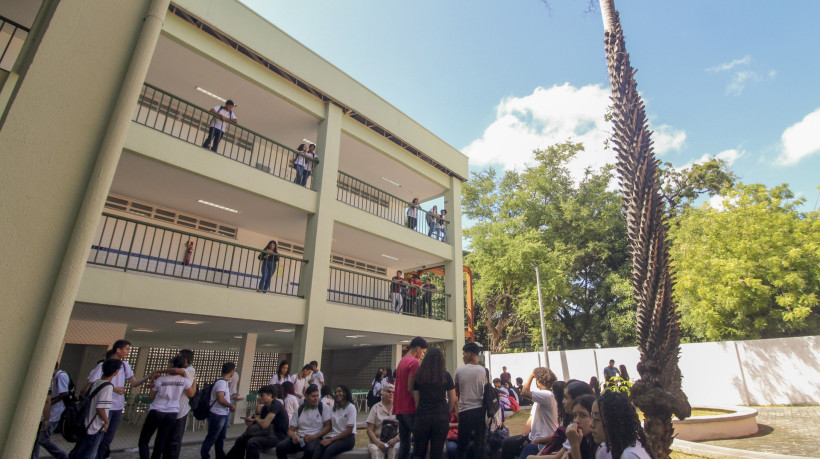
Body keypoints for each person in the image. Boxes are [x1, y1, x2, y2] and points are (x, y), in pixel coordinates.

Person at [86, 339, 152, 459]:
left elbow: (134, 382)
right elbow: (93, 383)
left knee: (108, 439)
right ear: (118, 350)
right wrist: (113, 388)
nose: (128, 352)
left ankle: (102, 456)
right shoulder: (103, 365)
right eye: (126, 349)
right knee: (98, 437)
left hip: (118, 406)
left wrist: (149, 376)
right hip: (105, 405)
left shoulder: (125, 366)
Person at [138, 356, 195, 459]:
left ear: (172, 365)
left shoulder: (161, 379)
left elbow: (151, 396)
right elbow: (191, 394)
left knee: (144, 440)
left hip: (157, 410)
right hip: (172, 412)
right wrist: (194, 382)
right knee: (161, 440)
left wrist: (153, 383)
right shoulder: (184, 381)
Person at [501, 367, 558, 459]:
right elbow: (532, 417)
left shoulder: (547, 395)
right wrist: (524, 436)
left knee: (525, 449)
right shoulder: (541, 396)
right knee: (508, 443)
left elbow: (524, 392)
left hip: (544, 439)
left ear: (538, 381)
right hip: (533, 437)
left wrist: (532, 375)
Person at [411, 347, 456, 459]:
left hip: (423, 416)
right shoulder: (446, 375)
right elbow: (453, 398)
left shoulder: (419, 375)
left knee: (419, 451)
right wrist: (447, 412)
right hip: (440, 416)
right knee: (437, 451)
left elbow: (416, 400)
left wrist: (420, 411)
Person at [71, 359, 119, 459]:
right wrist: (106, 422)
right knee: (89, 454)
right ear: (116, 372)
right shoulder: (107, 387)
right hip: (95, 426)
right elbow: (100, 408)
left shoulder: (97, 383)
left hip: (86, 423)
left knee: (80, 451)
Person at [225, 384, 289, 459]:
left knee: (253, 442)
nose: (259, 398)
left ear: (269, 396)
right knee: (241, 439)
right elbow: (258, 423)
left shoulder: (276, 405)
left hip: (278, 435)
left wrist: (256, 419)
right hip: (268, 432)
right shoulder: (265, 407)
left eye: (262, 395)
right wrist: (250, 421)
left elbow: (264, 424)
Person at [591, 392, 653, 459]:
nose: (591, 424)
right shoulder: (633, 447)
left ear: (613, 420)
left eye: (597, 418)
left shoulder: (629, 455)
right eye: (592, 416)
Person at [276, 385, 332, 459]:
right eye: (313, 396)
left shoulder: (323, 407)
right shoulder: (299, 410)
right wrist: (294, 436)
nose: (316, 399)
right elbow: (290, 430)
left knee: (310, 450)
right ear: (306, 396)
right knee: (280, 447)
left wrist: (314, 437)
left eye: (317, 396)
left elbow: (328, 426)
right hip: (301, 439)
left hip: (316, 438)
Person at [394, 337, 428, 459]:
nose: (422, 355)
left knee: (405, 443)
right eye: (423, 352)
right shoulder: (414, 362)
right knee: (421, 439)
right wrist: (419, 404)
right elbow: (411, 387)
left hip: (400, 408)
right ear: (418, 349)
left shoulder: (402, 361)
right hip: (410, 408)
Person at [454, 342, 488, 459]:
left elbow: (456, 392)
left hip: (465, 411)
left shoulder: (459, 371)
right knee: (480, 444)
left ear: (469, 354)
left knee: (462, 444)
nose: (463, 356)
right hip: (479, 411)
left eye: (464, 354)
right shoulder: (483, 370)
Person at [31, 362, 70, 459]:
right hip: (48, 412)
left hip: (54, 413)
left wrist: (51, 403)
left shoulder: (60, 376)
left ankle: (62, 456)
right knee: (36, 439)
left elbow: (63, 393)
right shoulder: (51, 378)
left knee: (42, 439)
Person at [201, 362, 237, 459]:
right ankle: (205, 455)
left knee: (221, 437)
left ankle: (220, 455)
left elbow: (223, 396)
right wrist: (230, 406)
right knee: (212, 437)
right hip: (217, 414)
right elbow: (220, 399)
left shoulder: (223, 382)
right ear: (231, 371)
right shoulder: (221, 382)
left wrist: (232, 399)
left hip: (223, 413)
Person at [314, 385, 357, 459]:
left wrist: (330, 440)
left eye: (340, 391)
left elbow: (349, 430)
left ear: (345, 393)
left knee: (329, 450)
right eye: (335, 392)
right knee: (318, 447)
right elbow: (329, 426)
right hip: (334, 436)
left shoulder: (351, 408)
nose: (337, 393)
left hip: (347, 438)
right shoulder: (335, 408)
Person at [366, 383, 399, 459]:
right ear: (383, 393)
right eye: (388, 392)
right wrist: (378, 443)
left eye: (393, 392)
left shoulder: (398, 408)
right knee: (376, 451)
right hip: (377, 439)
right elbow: (369, 430)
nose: (391, 394)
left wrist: (395, 439)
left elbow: (403, 429)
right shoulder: (375, 408)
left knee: (394, 450)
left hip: (394, 440)